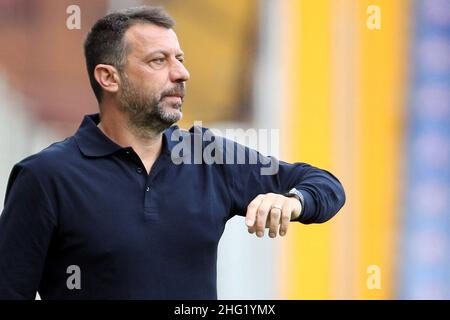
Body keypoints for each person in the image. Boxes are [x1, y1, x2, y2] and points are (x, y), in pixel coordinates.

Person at [0, 6, 345, 300]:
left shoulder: (207, 156)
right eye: (158, 61)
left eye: (179, 59)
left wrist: (295, 200)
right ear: (109, 77)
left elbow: (326, 185)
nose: (181, 73)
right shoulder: (46, 177)